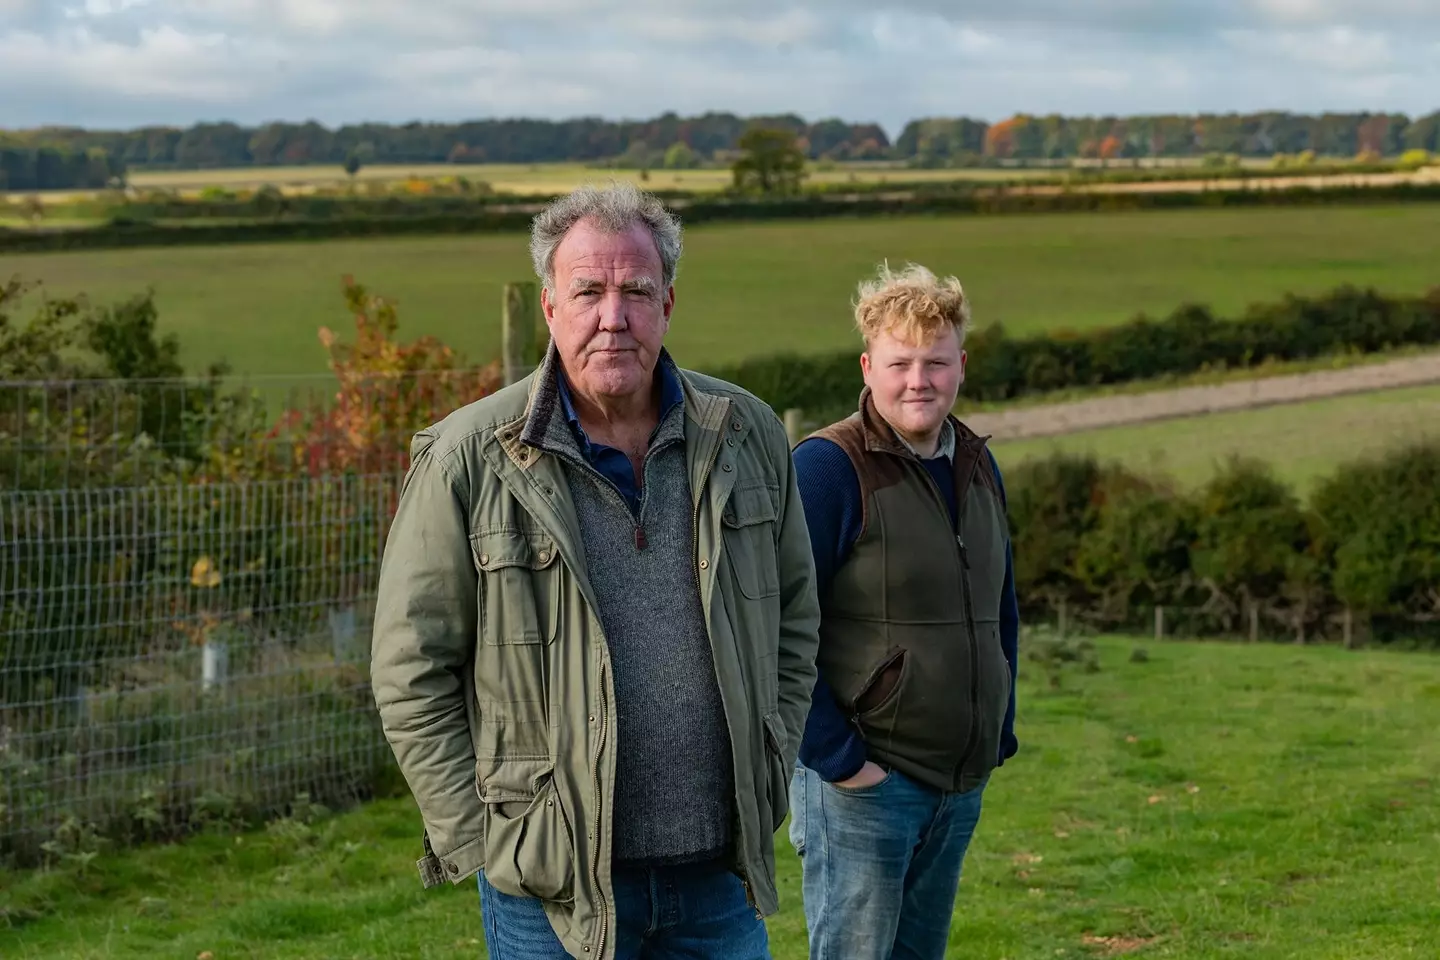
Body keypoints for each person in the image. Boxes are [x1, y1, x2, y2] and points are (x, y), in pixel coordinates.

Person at [369, 182, 820, 960]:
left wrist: (772, 760)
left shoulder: (745, 435)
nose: (614, 316)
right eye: (589, 291)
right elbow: (411, 668)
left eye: (636, 292)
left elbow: (798, 620)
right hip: (550, 891)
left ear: (668, 305)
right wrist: (484, 840)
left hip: (718, 878)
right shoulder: (470, 458)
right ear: (550, 307)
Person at [786, 262, 1020, 960]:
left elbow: (999, 604)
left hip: (958, 783)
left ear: (961, 366)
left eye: (936, 362)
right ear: (867, 365)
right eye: (900, 363)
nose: (919, 380)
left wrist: (996, 729)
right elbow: (774, 630)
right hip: (865, 786)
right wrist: (838, 759)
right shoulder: (827, 469)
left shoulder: (976, 463)